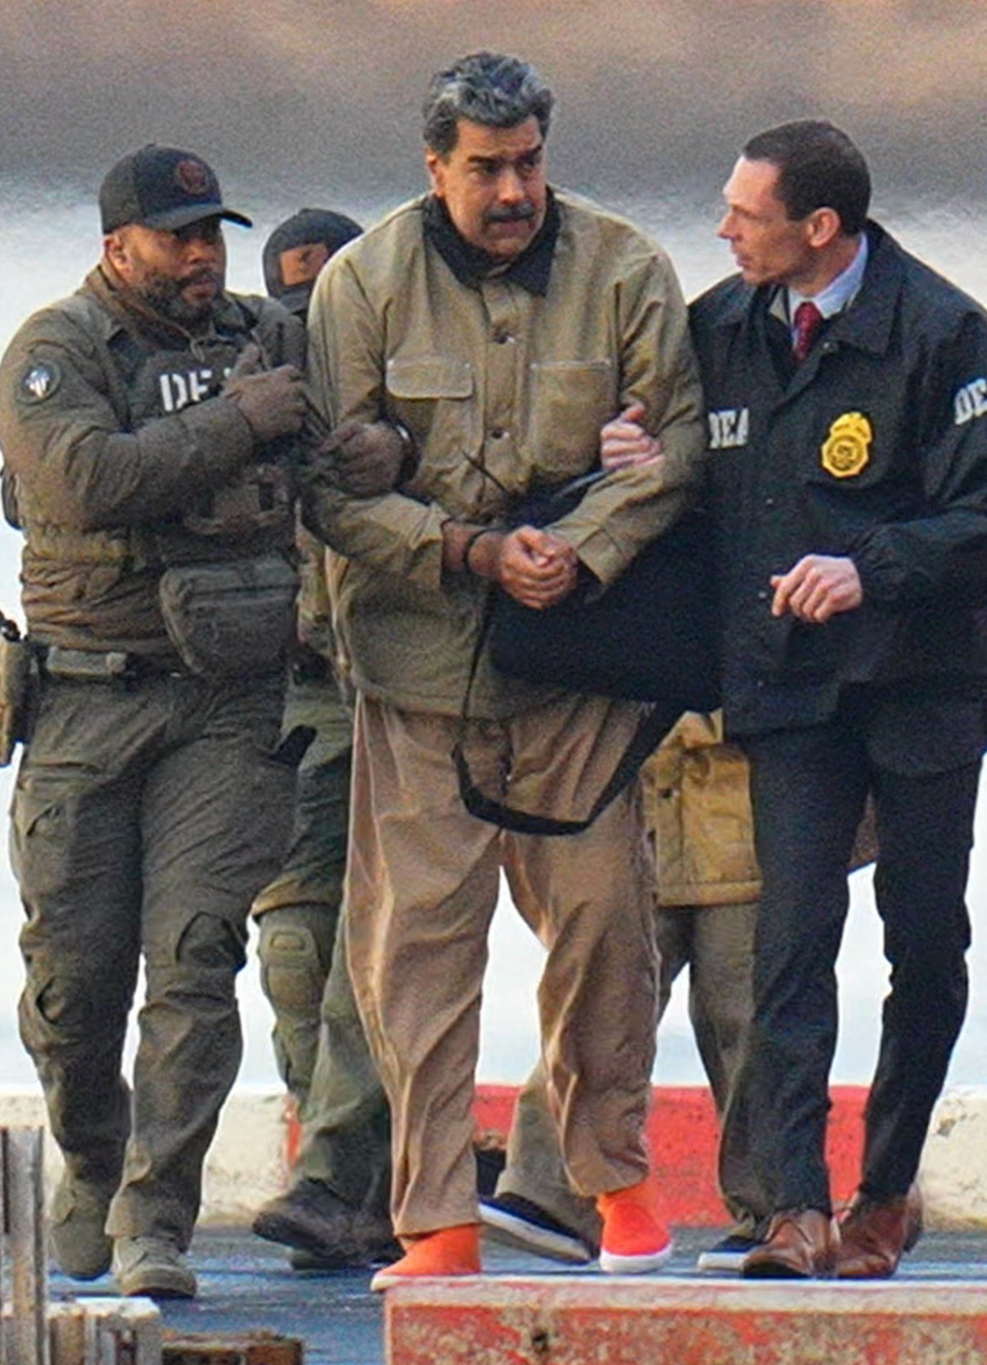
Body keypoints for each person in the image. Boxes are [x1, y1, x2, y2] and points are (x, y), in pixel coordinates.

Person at [302, 50, 704, 1290]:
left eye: (528, 161)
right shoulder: (359, 285)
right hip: (417, 672)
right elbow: (323, 486)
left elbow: (676, 446)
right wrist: (469, 551)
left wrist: (574, 556)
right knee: (415, 950)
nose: (512, 189)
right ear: (436, 168)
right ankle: (436, 1224)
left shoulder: (626, 268)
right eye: (486, 168)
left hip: (578, 667)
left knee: (602, 923)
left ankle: (615, 1191)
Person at [694, 120, 987, 1279]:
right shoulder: (718, 331)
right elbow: (674, 475)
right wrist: (629, 452)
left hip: (922, 686)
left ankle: (882, 1193)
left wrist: (872, 569)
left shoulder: (945, 334)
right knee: (789, 941)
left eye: (745, 215)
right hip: (789, 689)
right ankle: (793, 1208)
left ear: (818, 228)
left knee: (922, 938)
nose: (723, 230)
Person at [0, 144, 310, 1299]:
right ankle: (92, 1152)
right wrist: (233, 426)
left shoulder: (264, 338)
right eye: (176, 237)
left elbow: (343, 441)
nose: (199, 257)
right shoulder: (55, 353)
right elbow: (83, 482)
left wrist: (371, 447)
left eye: (211, 235)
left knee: (193, 965)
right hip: (83, 701)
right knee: (72, 990)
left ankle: (155, 1222)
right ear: (116, 245)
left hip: (226, 704)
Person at [481, 717, 879, 1272]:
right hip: (644, 797)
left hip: (747, 809)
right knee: (606, 990)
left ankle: (774, 1212)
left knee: (743, 1009)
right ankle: (554, 1186)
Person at [244, 207, 404, 1271]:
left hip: (393, 694)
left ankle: (344, 1173)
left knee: (372, 955)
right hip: (290, 704)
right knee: (296, 952)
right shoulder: (248, 402)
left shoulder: (397, 403)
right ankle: (337, 1173)